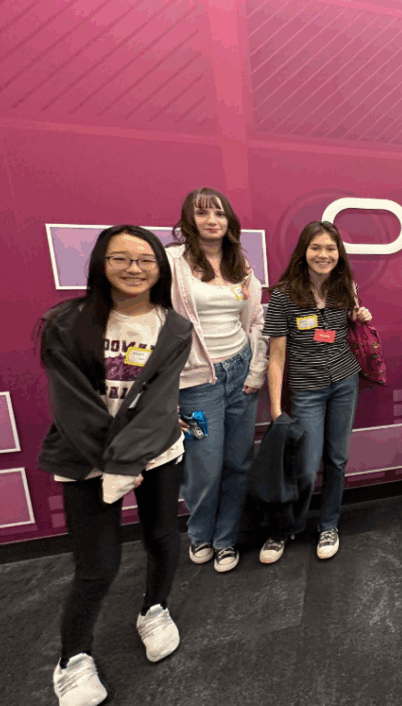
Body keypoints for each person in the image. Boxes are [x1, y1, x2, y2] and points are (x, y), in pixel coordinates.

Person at [38, 226, 193, 706]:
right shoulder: (65, 323)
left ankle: (155, 607)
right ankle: (73, 658)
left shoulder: (174, 328)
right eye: (121, 258)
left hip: (156, 451)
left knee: (162, 537)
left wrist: (133, 458)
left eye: (145, 260)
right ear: (100, 265)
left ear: (159, 269)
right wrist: (115, 462)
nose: (134, 269)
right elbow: (73, 407)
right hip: (85, 457)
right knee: (97, 566)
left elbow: (160, 404)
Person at [167, 187, 268, 573]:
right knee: (203, 467)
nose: (213, 221)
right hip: (196, 382)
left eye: (220, 214)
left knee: (238, 463)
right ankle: (200, 535)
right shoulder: (171, 262)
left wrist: (256, 369)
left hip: (239, 371)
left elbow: (256, 318)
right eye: (203, 213)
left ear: (230, 221)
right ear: (188, 220)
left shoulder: (240, 264)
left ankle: (226, 539)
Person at [261, 221, 372, 564]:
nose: (324, 255)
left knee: (337, 460)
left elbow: (352, 326)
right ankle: (283, 529)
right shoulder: (283, 295)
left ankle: (328, 525)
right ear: (304, 252)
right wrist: (277, 410)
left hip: (344, 382)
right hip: (306, 390)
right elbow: (276, 357)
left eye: (330, 249)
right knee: (306, 467)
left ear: (339, 254)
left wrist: (361, 315)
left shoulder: (345, 288)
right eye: (316, 248)